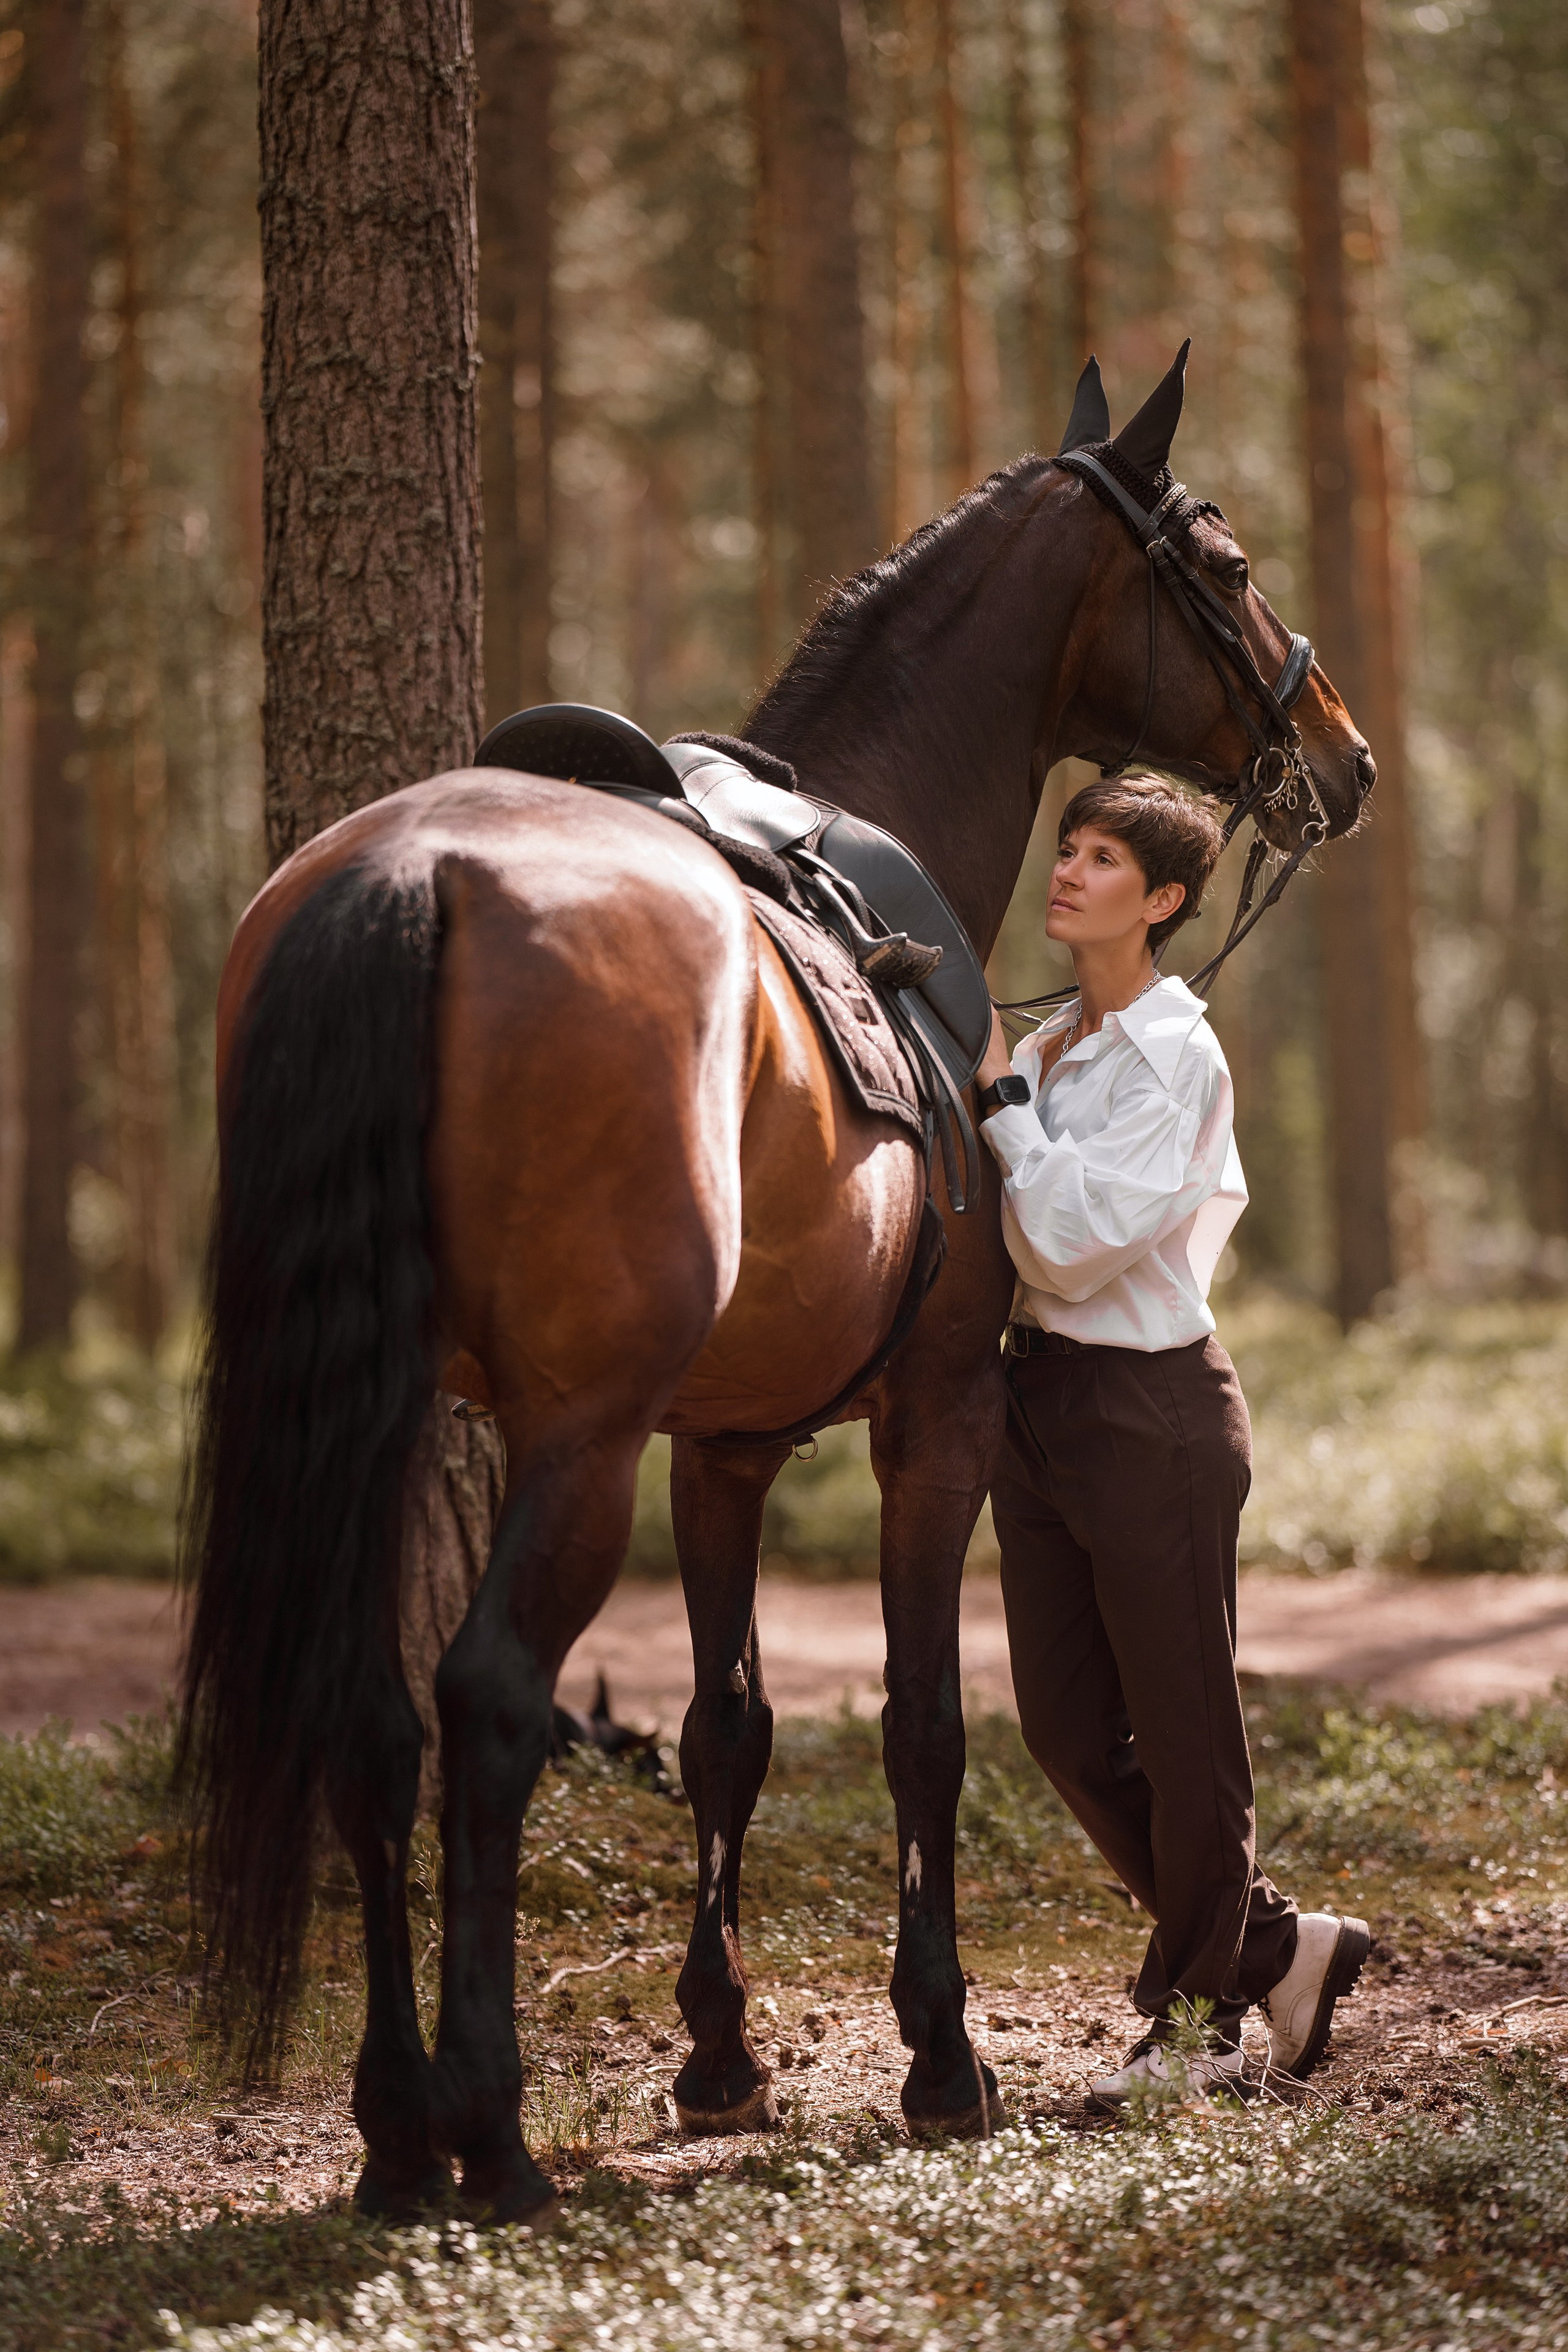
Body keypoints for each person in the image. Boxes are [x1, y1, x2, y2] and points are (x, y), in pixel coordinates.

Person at [973, 773, 1368, 2103]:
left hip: (1151, 1414)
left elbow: (1071, 1249)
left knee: (1183, 1729)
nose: (1067, 874)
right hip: (1034, 1415)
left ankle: (1195, 2021)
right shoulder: (1037, 1055)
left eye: (1099, 861)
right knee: (1067, 1730)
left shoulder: (1174, 1059)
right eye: (1066, 850)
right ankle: (1273, 1947)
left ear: (1163, 901)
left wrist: (1001, 1117)